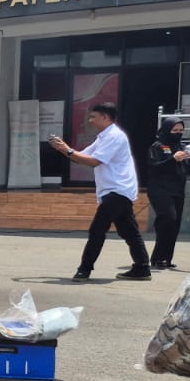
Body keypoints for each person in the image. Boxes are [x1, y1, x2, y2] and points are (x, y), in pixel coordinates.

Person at [49, 102, 151, 282]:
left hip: (117, 190)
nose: (90, 120)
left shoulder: (114, 136)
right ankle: (142, 268)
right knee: (129, 231)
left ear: (105, 117)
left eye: (93, 117)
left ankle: (84, 269)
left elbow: (94, 161)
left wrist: (68, 150)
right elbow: (81, 157)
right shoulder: (103, 137)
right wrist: (63, 149)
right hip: (117, 190)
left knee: (97, 229)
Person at [145, 117, 190, 270]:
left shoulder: (184, 148)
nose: (178, 133)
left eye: (181, 130)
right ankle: (157, 258)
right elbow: (154, 167)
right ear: (166, 130)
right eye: (175, 130)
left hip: (177, 190)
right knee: (168, 219)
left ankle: (166, 258)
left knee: (175, 225)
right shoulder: (157, 147)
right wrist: (173, 159)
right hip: (159, 189)